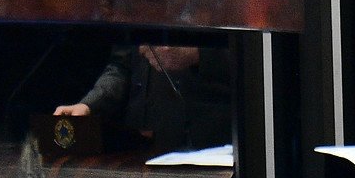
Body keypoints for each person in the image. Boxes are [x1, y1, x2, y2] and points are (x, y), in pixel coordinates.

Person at [51, 44, 235, 151]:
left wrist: (197, 55)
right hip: (138, 148)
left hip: (206, 145)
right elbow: (121, 67)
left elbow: (254, 54)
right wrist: (89, 105)